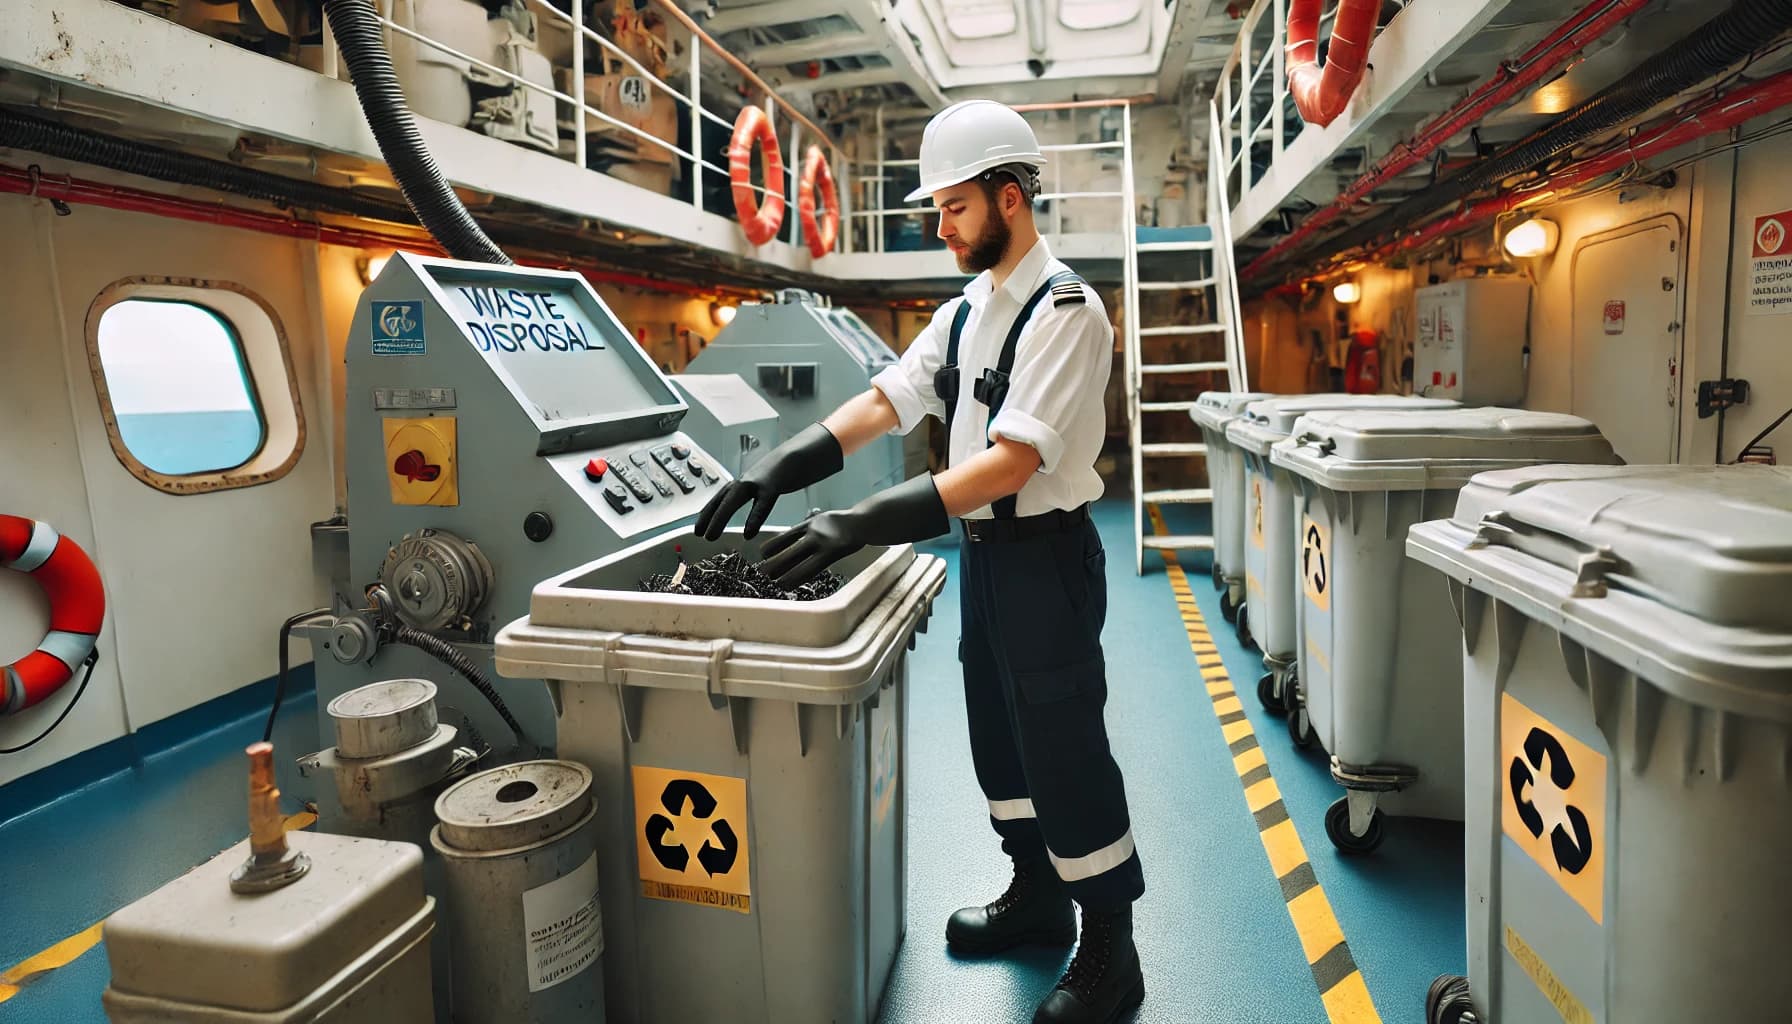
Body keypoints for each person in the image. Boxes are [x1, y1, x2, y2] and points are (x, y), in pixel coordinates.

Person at [695, 98, 1144, 1024]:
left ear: (1010, 198)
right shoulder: (969, 307)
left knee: (1063, 744)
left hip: (1046, 560)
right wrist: (790, 455)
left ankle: (1111, 950)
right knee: (999, 732)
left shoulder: (1066, 312)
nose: (939, 225)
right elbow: (887, 400)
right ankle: (1037, 895)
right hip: (986, 558)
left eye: (953, 207)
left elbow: (1011, 463)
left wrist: (861, 521)